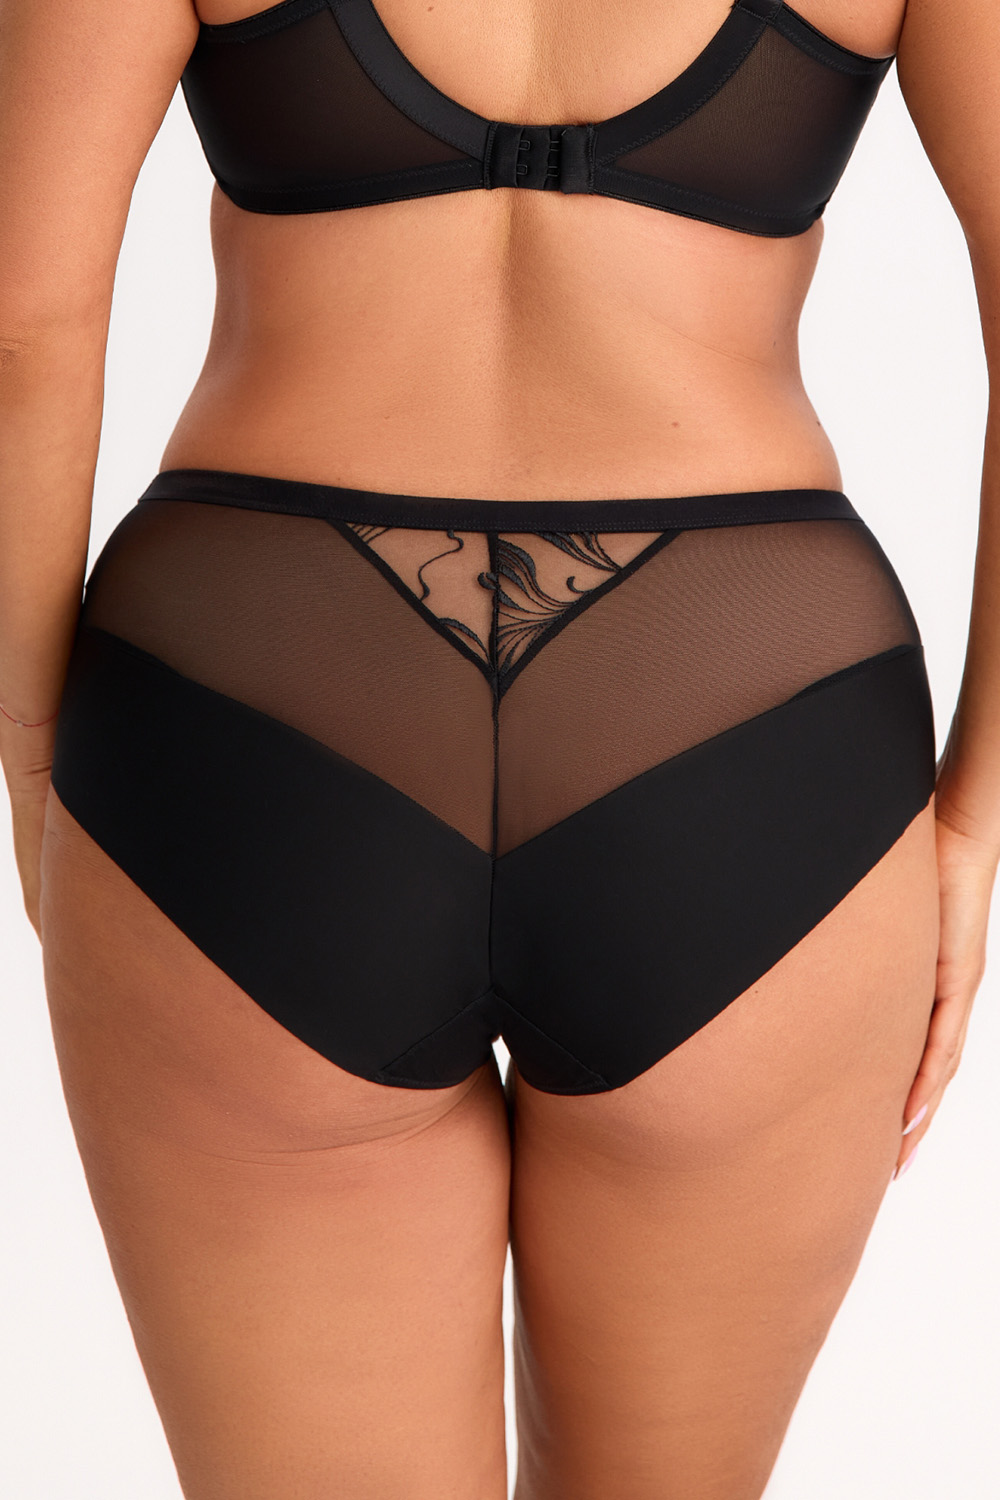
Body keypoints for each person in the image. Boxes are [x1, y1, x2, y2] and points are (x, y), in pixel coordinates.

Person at [1, 1, 997, 1495]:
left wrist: (33, 748)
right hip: (745, 713)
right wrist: (975, 819)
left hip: (254, 696)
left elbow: (22, 322)